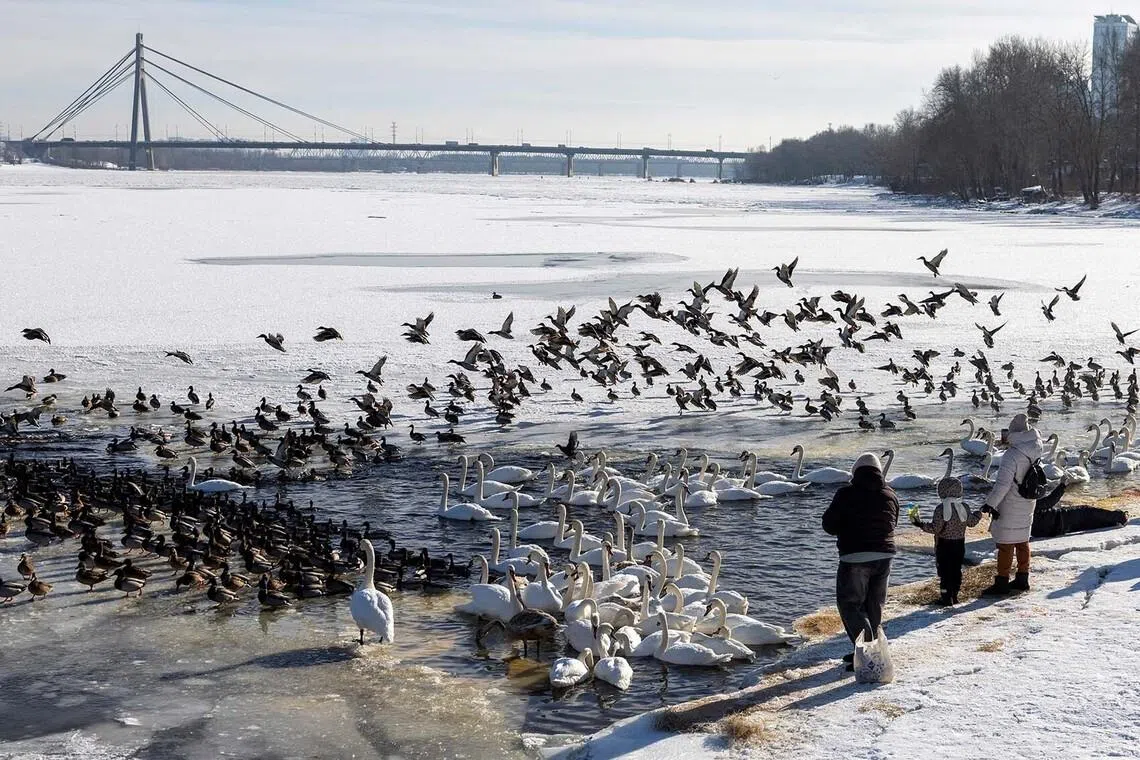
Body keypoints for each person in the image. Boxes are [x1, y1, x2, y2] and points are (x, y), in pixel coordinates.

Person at [822, 452, 900, 670]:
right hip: (885, 556)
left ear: (855, 472)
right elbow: (893, 522)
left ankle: (867, 655)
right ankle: (868, 650)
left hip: (855, 556)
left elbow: (829, 525)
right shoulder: (890, 494)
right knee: (874, 605)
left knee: (851, 605)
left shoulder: (846, 494)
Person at [980, 413, 1042, 595]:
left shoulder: (1012, 455)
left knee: (1006, 543)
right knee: (1022, 541)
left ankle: (1002, 582)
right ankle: (1023, 578)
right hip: (1029, 500)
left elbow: (1003, 485)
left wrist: (989, 504)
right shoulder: (1037, 447)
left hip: (1011, 503)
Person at [911, 477, 982, 605]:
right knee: (956, 570)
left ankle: (945, 596)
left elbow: (935, 528)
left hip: (944, 545)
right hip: (959, 544)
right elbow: (972, 523)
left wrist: (920, 524)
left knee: (944, 572)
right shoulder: (964, 507)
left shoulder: (940, 509)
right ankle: (954, 595)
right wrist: (978, 514)